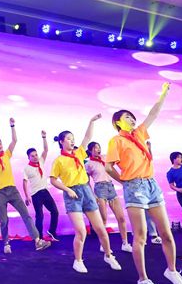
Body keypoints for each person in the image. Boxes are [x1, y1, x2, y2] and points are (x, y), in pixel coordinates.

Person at [105, 83, 182, 284]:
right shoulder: (116, 141)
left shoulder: (140, 134)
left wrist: (163, 95)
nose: (132, 119)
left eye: (132, 117)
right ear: (117, 122)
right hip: (134, 186)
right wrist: (125, 182)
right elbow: (108, 167)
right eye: (127, 117)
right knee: (141, 236)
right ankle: (143, 280)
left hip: (151, 184)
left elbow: (153, 113)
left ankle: (171, 270)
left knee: (166, 233)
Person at [50, 114, 121, 273]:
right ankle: (78, 261)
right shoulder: (59, 161)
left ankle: (109, 255)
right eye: (69, 138)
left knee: (100, 228)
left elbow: (87, 137)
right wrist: (68, 190)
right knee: (81, 231)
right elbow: (53, 180)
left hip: (86, 191)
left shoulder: (79, 153)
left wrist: (91, 122)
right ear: (61, 141)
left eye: (73, 138)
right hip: (72, 194)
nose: (72, 141)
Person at [0, 118, 51, 254]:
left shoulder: (7, 154)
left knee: (26, 215)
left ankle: (37, 241)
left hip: (12, 190)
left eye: (0, 144)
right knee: (3, 220)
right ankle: (6, 243)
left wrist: (12, 125)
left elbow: (14, 140)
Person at [85, 141, 131, 253]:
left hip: (111, 187)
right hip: (100, 189)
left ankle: (125, 243)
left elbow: (117, 161)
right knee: (104, 219)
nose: (98, 149)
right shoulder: (88, 164)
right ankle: (104, 245)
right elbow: (86, 181)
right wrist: (92, 195)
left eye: (99, 147)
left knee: (121, 218)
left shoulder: (106, 157)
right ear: (90, 150)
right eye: (95, 148)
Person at [22, 130, 59, 242]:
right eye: (32, 156)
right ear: (28, 157)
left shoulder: (41, 161)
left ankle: (52, 232)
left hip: (45, 192)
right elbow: (24, 182)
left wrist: (44, 137)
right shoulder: (27, 168)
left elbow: (46, 150)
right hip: (36, 194)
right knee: (40, 216)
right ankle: (40, 239)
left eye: (36, 155)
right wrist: (27, 196)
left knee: (55, 211)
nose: (35, 157)